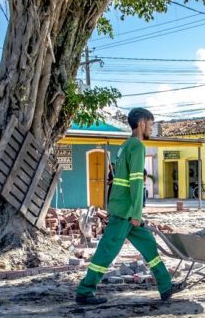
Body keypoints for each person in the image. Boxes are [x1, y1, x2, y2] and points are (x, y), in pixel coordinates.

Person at [75, 108, 182, 305]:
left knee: (149, 246)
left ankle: (166, 286)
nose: (151, 127)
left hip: (123, 208)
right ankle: (85, 291)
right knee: (107, 250)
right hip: (126, 211)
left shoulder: (125, 146)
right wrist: (136, 212)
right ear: (142, 124)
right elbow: (136, 181)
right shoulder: (137, 147)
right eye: (151, 123)